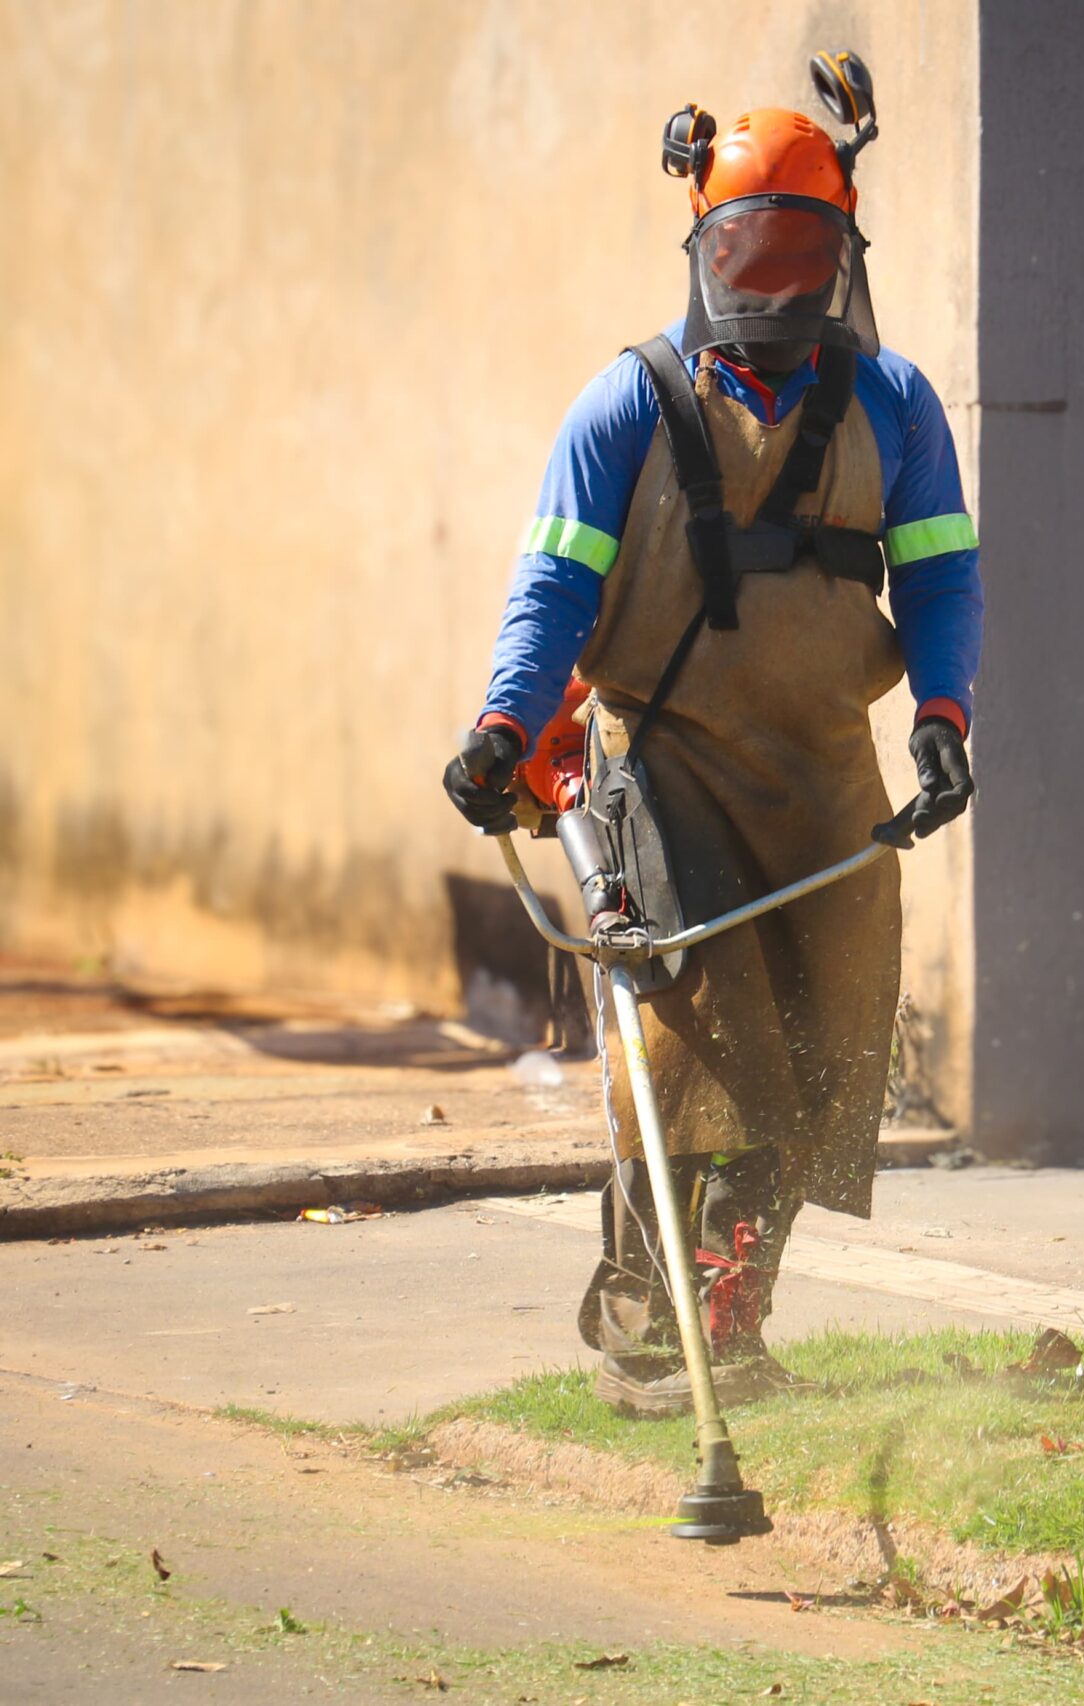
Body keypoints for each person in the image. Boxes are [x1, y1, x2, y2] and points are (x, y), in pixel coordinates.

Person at [439, 83, 982, 1416]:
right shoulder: (625, 406)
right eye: (755, 249)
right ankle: (651, 1331)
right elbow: (551, 594)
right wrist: (507, 723)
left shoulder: (896, 408)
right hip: (658, 769)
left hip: (822, 777)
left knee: (827, 1050)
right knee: (700, 1051)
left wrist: (946, 713)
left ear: (843, 251)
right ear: (707, 243)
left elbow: (946, 586)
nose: (780, 281)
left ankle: (731, 1321)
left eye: (806, 252)